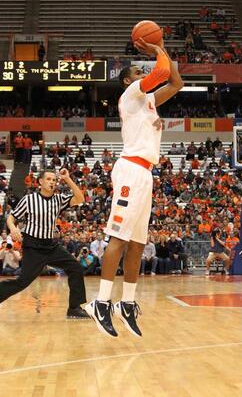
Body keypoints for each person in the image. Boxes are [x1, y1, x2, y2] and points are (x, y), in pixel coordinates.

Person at [85, 36, 183, 337]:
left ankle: (126, 303)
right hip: (130, 169)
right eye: (138, 73)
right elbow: (161, 73)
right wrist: (156, 49)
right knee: (118, 237)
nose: (143, 74)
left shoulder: (150, 102)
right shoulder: (130, 93)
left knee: (137, 243)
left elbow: (175, 82)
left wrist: (163, 47)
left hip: (146, 174)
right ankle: (101, 302)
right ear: (128, 80)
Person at [0, 168, 89, 319]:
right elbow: (11, 217)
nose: (52, 182)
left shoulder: (58, 199)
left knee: (76, 268)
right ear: (40, 182)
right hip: (33, 246)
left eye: (54, 180)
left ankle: (74, 308)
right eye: (49, 179)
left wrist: (67, 179)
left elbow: (80, 199)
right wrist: (13, 228)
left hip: (51, 246)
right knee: (23, 281)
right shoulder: (29, 200)